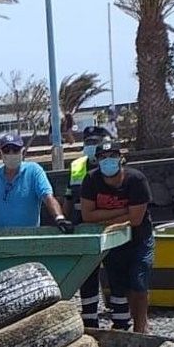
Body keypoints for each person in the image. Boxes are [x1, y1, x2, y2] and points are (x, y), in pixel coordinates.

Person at [79, 138, 155, 333]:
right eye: (103, 157)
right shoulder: (90, 180)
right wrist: (123, 213)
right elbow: (87, 215)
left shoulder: (136, 180)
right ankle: (125, 326)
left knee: (138, 282)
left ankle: (140, 330)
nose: (108, 160)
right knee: (119, 285)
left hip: (139, 239)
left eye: (112, 156)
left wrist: (103, 216)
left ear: (121, 158)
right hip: (112, 241)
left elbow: (136, 219)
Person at [0, 132, 73, 234]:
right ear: (1, 154)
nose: (11, 153)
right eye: (7, 150)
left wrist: (59, 218)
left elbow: (48, 198)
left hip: (29, 239)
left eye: (15, 149)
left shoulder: (34, 171)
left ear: (22, 152)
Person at [70, 125, 113, 326]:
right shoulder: (77, 166)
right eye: (87, 142)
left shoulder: (112, 165)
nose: (91, 146)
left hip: (109, 225)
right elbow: (69, 197)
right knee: (86, 273)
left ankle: (120, 319)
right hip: (82, 225)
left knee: (115, 271)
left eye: (95, 142)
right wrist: (64, 219)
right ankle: (90, 319)